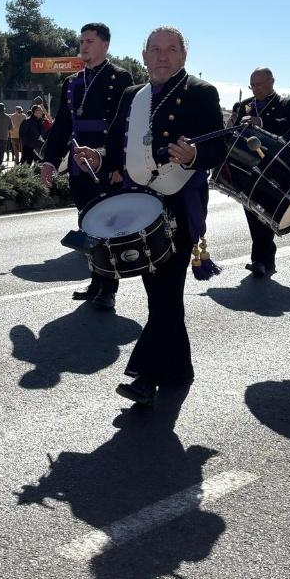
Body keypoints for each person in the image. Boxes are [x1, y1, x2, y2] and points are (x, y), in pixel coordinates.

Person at [74, 26, 226, 404]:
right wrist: (98, 157)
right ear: (143, 56)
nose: (162, 56)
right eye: (155, 50)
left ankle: (145, 376)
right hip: (138, 203)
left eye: (171, 50)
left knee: (166, 293)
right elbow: (115, 148)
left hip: (178, 203)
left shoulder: (201, 92)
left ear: (183, 56)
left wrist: (194, 156)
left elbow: (218, 149)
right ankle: (180, 368)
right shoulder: (132, 96)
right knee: (160, 294)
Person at [41, 23, 133, 310]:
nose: (83, 46)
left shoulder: (120, 78)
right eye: (81, 41)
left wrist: (118, 163)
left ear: (105, 45)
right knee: (87, 223)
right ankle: (96, 281)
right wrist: (49, 161)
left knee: (108, 227)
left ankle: (109, 288)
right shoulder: (71, 82)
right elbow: (61, 128)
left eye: (89, 41)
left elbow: (124, 126)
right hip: (79, 166)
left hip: (107, 163)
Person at [228, 67, 290, 277]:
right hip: (247, 167)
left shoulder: (286, 104)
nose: (255, 89)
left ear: (271, 82)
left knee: (264, 212)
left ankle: (262, 259)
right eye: (252, 85)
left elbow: (289, 126)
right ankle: (261, 259)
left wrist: (262, 122)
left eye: (259, 84)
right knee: (251, 210)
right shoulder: (243, 105)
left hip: (273, 168)